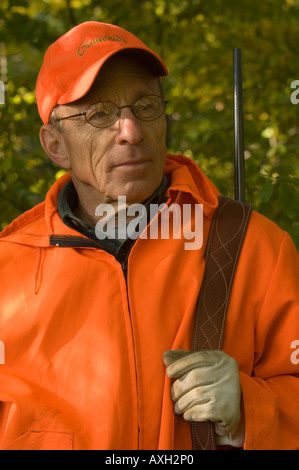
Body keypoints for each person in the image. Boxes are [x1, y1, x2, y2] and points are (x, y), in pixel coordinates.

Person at [0, 20, 298, 451]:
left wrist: (251, 411)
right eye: (99, 114)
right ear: (55, 145)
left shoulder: (254, 246)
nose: (131, 131)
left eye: (145, 106)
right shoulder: (8, 268)